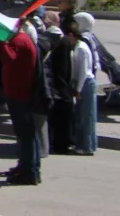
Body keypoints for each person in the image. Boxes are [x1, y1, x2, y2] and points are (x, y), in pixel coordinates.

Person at [0, 18, 42, 185]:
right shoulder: (22, 39)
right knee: (27, 134)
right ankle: (28, 166)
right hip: (20, 92)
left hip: (19, 93)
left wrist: (2, 42)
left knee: (25, 135)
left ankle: (29, 171)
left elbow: (9, 58)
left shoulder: (19, 41)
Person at [45, 16, 79, 155]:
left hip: (59, 88)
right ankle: (63, 145)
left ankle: (59, 144)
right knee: (63, 120)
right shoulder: (65, 44)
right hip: (63, 89)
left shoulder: (60, 43)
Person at [71, 12, 100, 155]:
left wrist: (78, 89)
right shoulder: (86, 40)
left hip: (86, 83)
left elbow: (83, 71)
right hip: (85, 82)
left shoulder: (82, 45)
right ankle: (86, 144)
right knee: (83, 115)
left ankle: (86, 146)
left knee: (86, 116)